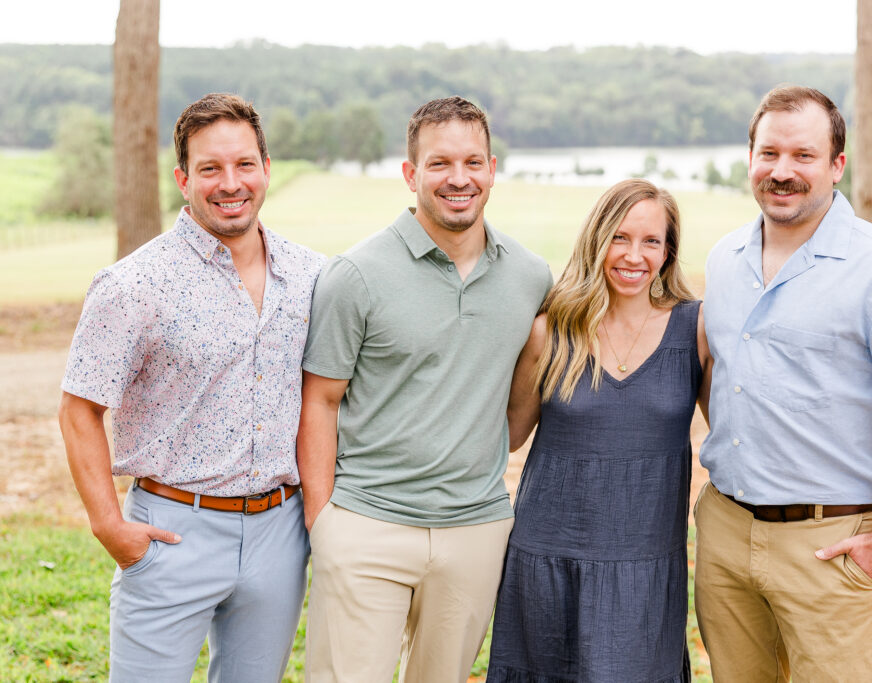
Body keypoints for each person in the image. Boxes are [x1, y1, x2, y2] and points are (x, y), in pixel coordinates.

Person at [695, 85, 872, 682]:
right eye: (768, 153)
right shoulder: (724, 258)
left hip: (832, 546)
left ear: (836, 165)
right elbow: (720, 375)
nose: (782, 171)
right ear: (750, 158)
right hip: (725, 535)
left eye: (803, 155)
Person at [57, 93, 324, 682]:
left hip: (280, 532)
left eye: (243, 164)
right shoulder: (132, 285)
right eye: (210, 168)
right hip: (171, 531)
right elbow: (79, 410)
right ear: (183, 179)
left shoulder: (313, 276)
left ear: (266, 168)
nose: (230, 183)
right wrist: (110, 527)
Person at [298, 96, 552, 683]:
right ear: (411, 174)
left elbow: (524, 393)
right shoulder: (356, 275)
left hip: (476, 530)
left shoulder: (529, 275)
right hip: (368, 524)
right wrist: (325, 523)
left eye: (472, 163)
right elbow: (320, 401)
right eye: (439, 164)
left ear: (492, 169)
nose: (458, 179)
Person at [486, 179, 711, 683]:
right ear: (596, 240)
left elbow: (735, 432)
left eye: (651, 241)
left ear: (668, 251)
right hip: (549, 556)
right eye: (619, 237)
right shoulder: (551, 330)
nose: (634, 255)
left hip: (645, 566)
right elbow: (508, 434)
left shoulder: (695, 330)